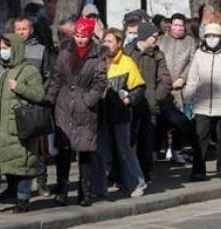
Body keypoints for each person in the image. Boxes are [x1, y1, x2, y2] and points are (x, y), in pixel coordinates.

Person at [0, 33, 45, 214]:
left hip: (18, 128)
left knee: (23, 165)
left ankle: (23, 200)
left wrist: (20, 87)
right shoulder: (0, 70)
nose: (3, 51)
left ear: (16, 48)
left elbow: (39, 95)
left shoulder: (29, 70)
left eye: (7, 47)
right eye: (1, 47)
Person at [46, 17, 107, 207]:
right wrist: (49, 99)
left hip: (85, 108)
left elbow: (99, 83)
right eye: (78, 36)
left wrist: (88, 101)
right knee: (64, 150)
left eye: (84, 36)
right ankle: (62, 189)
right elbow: (56, 78)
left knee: (85, 151)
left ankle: (84, 191)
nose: (80, 40)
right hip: (64, 106)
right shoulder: (64, 52)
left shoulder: (97, 55)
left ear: (90, 36)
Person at [184, 23, 221, 180]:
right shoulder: (199, 53)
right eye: (209, 36)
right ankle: (198, 171)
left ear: (220, 37)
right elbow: (192, 79)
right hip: (202, 104)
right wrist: (187, 100)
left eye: (215, 36)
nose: (211, 39)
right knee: (200, 139)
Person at [92, 28, 148, 198]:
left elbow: (139, 88)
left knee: (125, 150)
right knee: (99, 151)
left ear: (119, 44)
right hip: (100, 113)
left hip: (119, 114)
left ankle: (137, 183)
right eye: (105, 41)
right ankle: (98, 187)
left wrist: (128, 100)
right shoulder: (97, 61)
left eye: (110, 41)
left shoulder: (127, 62)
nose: (107, 44)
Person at [124, 22, 172, 182]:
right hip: (129, 104)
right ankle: (126, 174)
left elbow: (165, 80)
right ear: (144, 36)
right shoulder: (128, 52)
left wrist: (156, 97)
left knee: (146, 142)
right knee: (128, 141)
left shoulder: (158, 54)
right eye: (154, 36)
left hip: (149, 105)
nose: (156, 39)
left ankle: (144, 173)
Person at [13, 16, 52, 197]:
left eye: (24, 28)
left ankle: (42, 183)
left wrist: (39, 94)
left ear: (31, 30)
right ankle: (15, 185)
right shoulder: (9, 49)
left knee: (38, 147)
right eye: (18, 29)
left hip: (35, 104)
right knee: (16, 147)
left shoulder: (40, 50)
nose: (21, 32)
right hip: (15, 103)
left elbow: (48, 75)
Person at [158, 13, 198, 164]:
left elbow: (193, 62)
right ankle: (159, 150)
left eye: (181, 25)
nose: (178, 28)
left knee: (180, 122)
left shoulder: (190, 42)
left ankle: (177, 149)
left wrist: (183, 78)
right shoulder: (161, 41)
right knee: (162, 121)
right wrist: (164, 81)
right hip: (163, 87)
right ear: (170, 25)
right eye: (175, 25)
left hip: (181, 89)